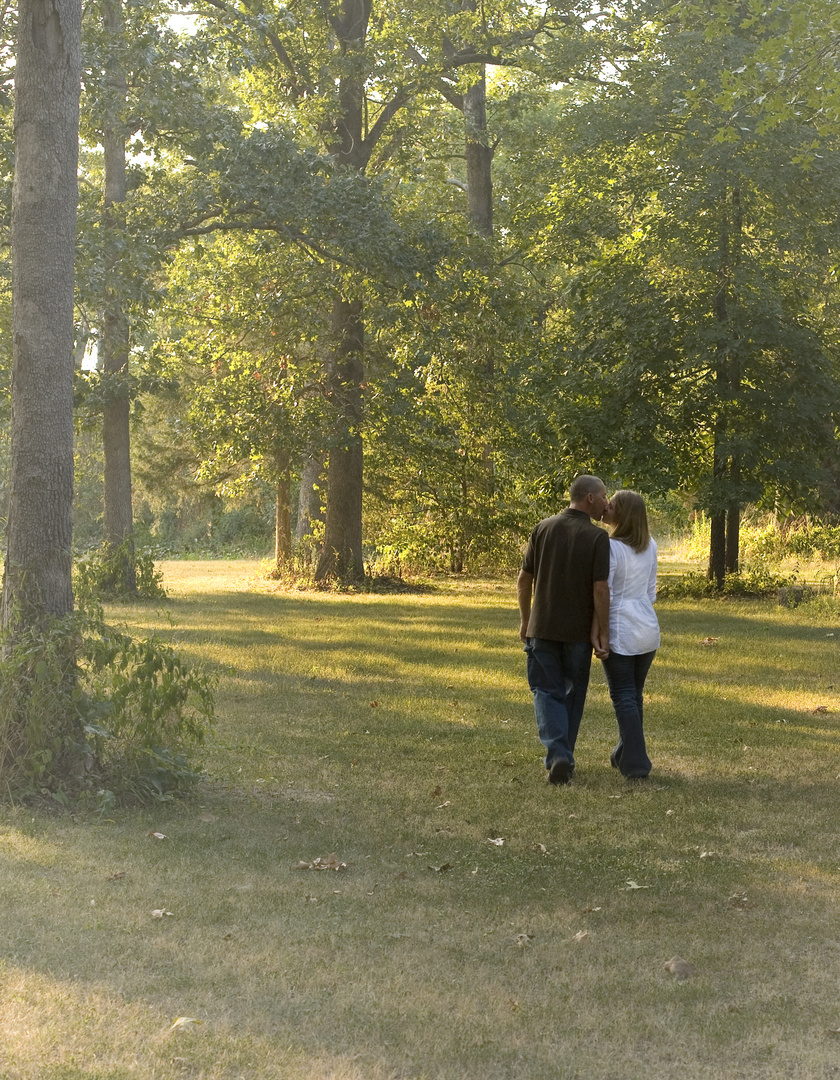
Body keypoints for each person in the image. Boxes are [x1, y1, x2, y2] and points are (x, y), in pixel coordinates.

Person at [517, 475, 610, 785]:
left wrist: (525, 619)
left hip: (541, 627)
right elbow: (600, 590)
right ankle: (561, 755)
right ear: (590, 499)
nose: (607, 504)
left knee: (545, 691)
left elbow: (524, 579)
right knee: (572, 695)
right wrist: (603, 632)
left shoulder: (542, 528)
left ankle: (560, 757)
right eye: (604, 497)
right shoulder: (597, 538)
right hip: (577, 633)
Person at [600, 489, 660, 779]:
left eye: (611, 505)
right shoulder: (650, 545)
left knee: (623, 695)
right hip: (647, 628)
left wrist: (599, 629)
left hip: (621, 627)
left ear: (622, 514)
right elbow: (651, 592)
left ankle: (637, 765)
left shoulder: (611, 548)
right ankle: (624, 753)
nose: (606, 507)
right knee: (633, 695)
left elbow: (605, 591)